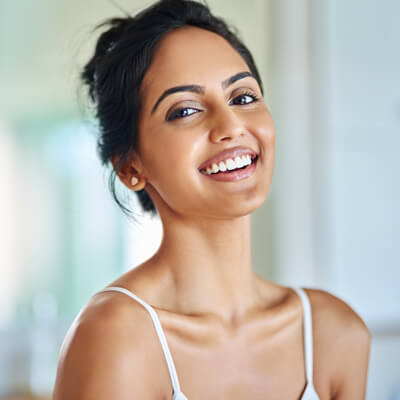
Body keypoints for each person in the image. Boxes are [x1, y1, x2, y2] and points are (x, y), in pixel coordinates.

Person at [52, 0, 371, 399]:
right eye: (185, 110)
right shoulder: (116, 338)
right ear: (130, 166)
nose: (231, 125)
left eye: (242, 97)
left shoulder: (333, 333)